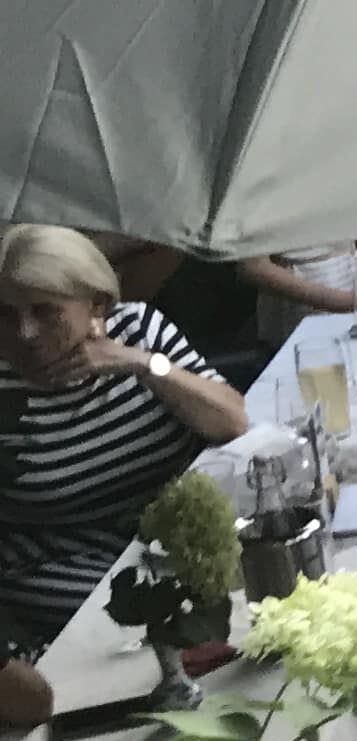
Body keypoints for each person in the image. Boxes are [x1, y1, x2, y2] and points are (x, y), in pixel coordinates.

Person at [0, 226, 248, 655]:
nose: (24, 333)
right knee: (147, 639)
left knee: (251, 603)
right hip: (60, 565)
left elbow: (232, 420)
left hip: (173, 542)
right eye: (4, 314)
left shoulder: (139, 331)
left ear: (96, 304)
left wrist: (143, 364)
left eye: (44, 312)